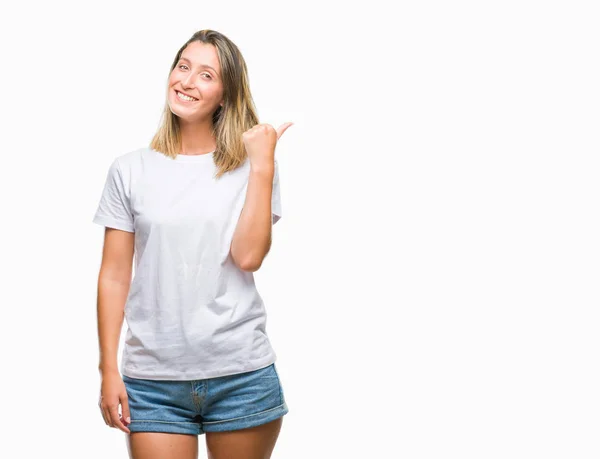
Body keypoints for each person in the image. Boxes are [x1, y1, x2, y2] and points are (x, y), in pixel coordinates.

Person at [93, 29, 292, 459]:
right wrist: (108, 368)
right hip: (152, 381)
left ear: (225, 94)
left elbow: (249, 256)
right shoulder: (130, 170)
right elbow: (113, 275)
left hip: (240, 375)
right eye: (183, 67)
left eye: (206, 74)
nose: (187, 81)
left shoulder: (255, 167)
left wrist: (262, 165)